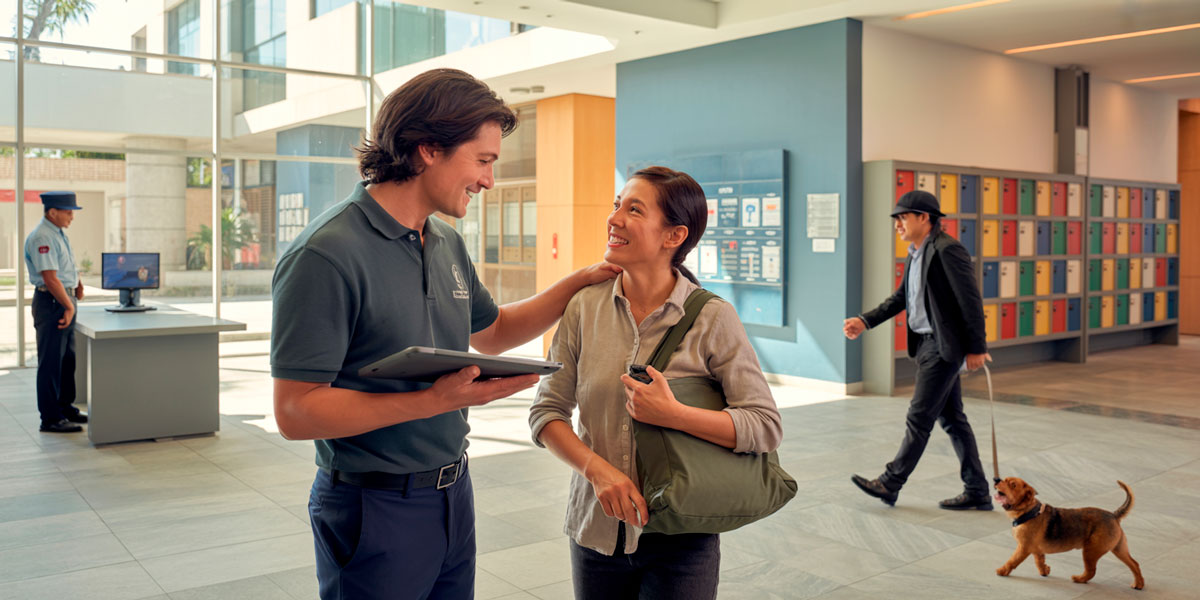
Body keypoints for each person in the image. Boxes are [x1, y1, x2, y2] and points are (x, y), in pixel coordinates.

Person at [270, 68, 619, 600]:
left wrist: (578, 282)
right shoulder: (325, 254)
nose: (488, 181)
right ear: (428, 149)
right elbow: (296, 412)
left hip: (453, 493)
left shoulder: (445, 242)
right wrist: (434, 401)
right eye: (482, 161)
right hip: (374, 507)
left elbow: (494, 333)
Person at [529, 166, 783, 599]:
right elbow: (546, 413)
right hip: (597, 531)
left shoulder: (712, 317)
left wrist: (675, 415)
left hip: (682, 536)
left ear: (674, 236)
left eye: (634, 210)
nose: (614, 219)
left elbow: (765, 426)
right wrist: (598, 472)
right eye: (616, 206)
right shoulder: (584, 308)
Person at [844, 190, 993, 510]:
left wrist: (977, 347)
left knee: (919, 416)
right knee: (953, 419)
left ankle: (890, 482)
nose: (898, 224)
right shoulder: (916, 252)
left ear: (924, 218)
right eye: (897, 219)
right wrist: (864, 321)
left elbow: (970, 300)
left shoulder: (947, 250)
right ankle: (977, 489)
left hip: (943, 347)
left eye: (903, 217)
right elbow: (901, 298)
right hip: (927, 345)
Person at [25, 191, 88, 434]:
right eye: (68, 211)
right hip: (52, 303)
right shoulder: (43, 236)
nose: (72, 216)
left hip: (63, 299)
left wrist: (77, 285)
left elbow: (65, 266)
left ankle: (65, 408)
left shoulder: (58, 234)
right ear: (52, 212)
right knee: (51, 362)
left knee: (66, 360)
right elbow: (50, 278)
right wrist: (69, 306)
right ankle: (50, 419)